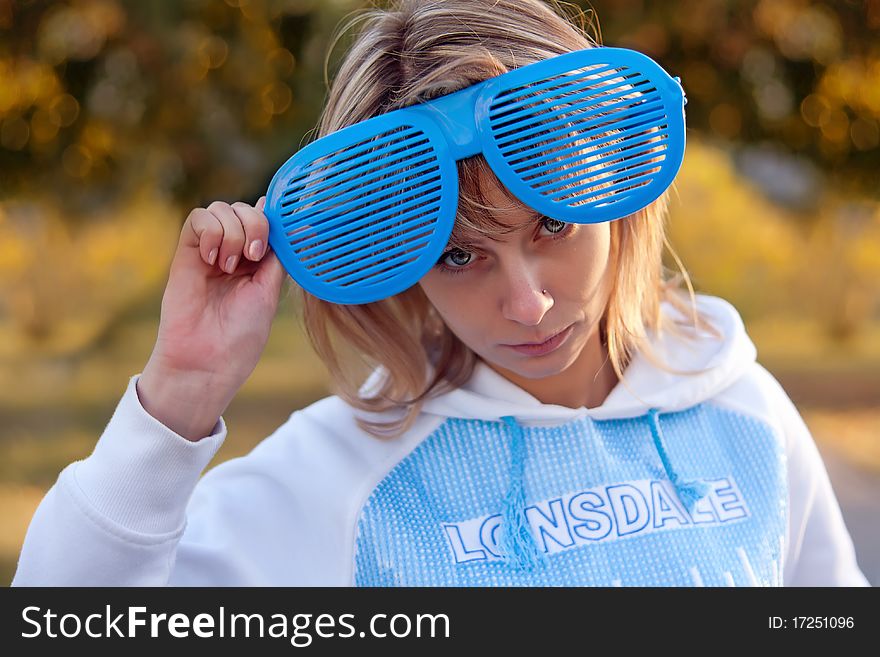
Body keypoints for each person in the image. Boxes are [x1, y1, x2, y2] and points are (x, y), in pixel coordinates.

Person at [12, 0, 869, 587]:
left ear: (614, 189)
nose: (527, 302)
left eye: (553, 227)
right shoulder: (344, 474)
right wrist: (182, 390)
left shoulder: (747, 414)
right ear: (398, 257)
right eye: (460, 256)